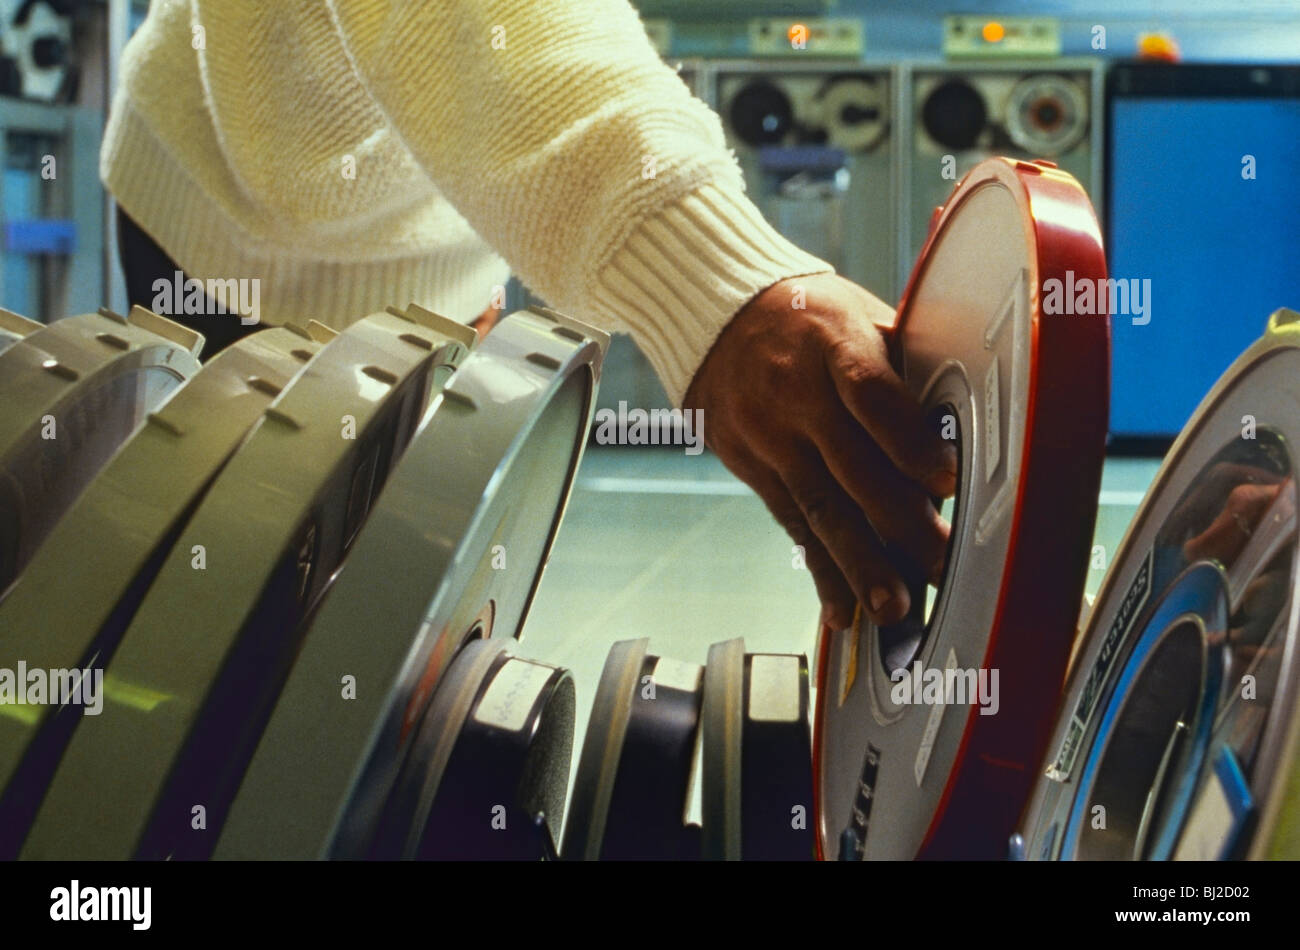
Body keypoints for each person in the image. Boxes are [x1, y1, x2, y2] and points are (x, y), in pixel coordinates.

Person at [106, 0, 954, 631]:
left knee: (392, 592)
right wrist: (718, 289)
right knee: (245, 607)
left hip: (427, 218)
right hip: (229, 215)